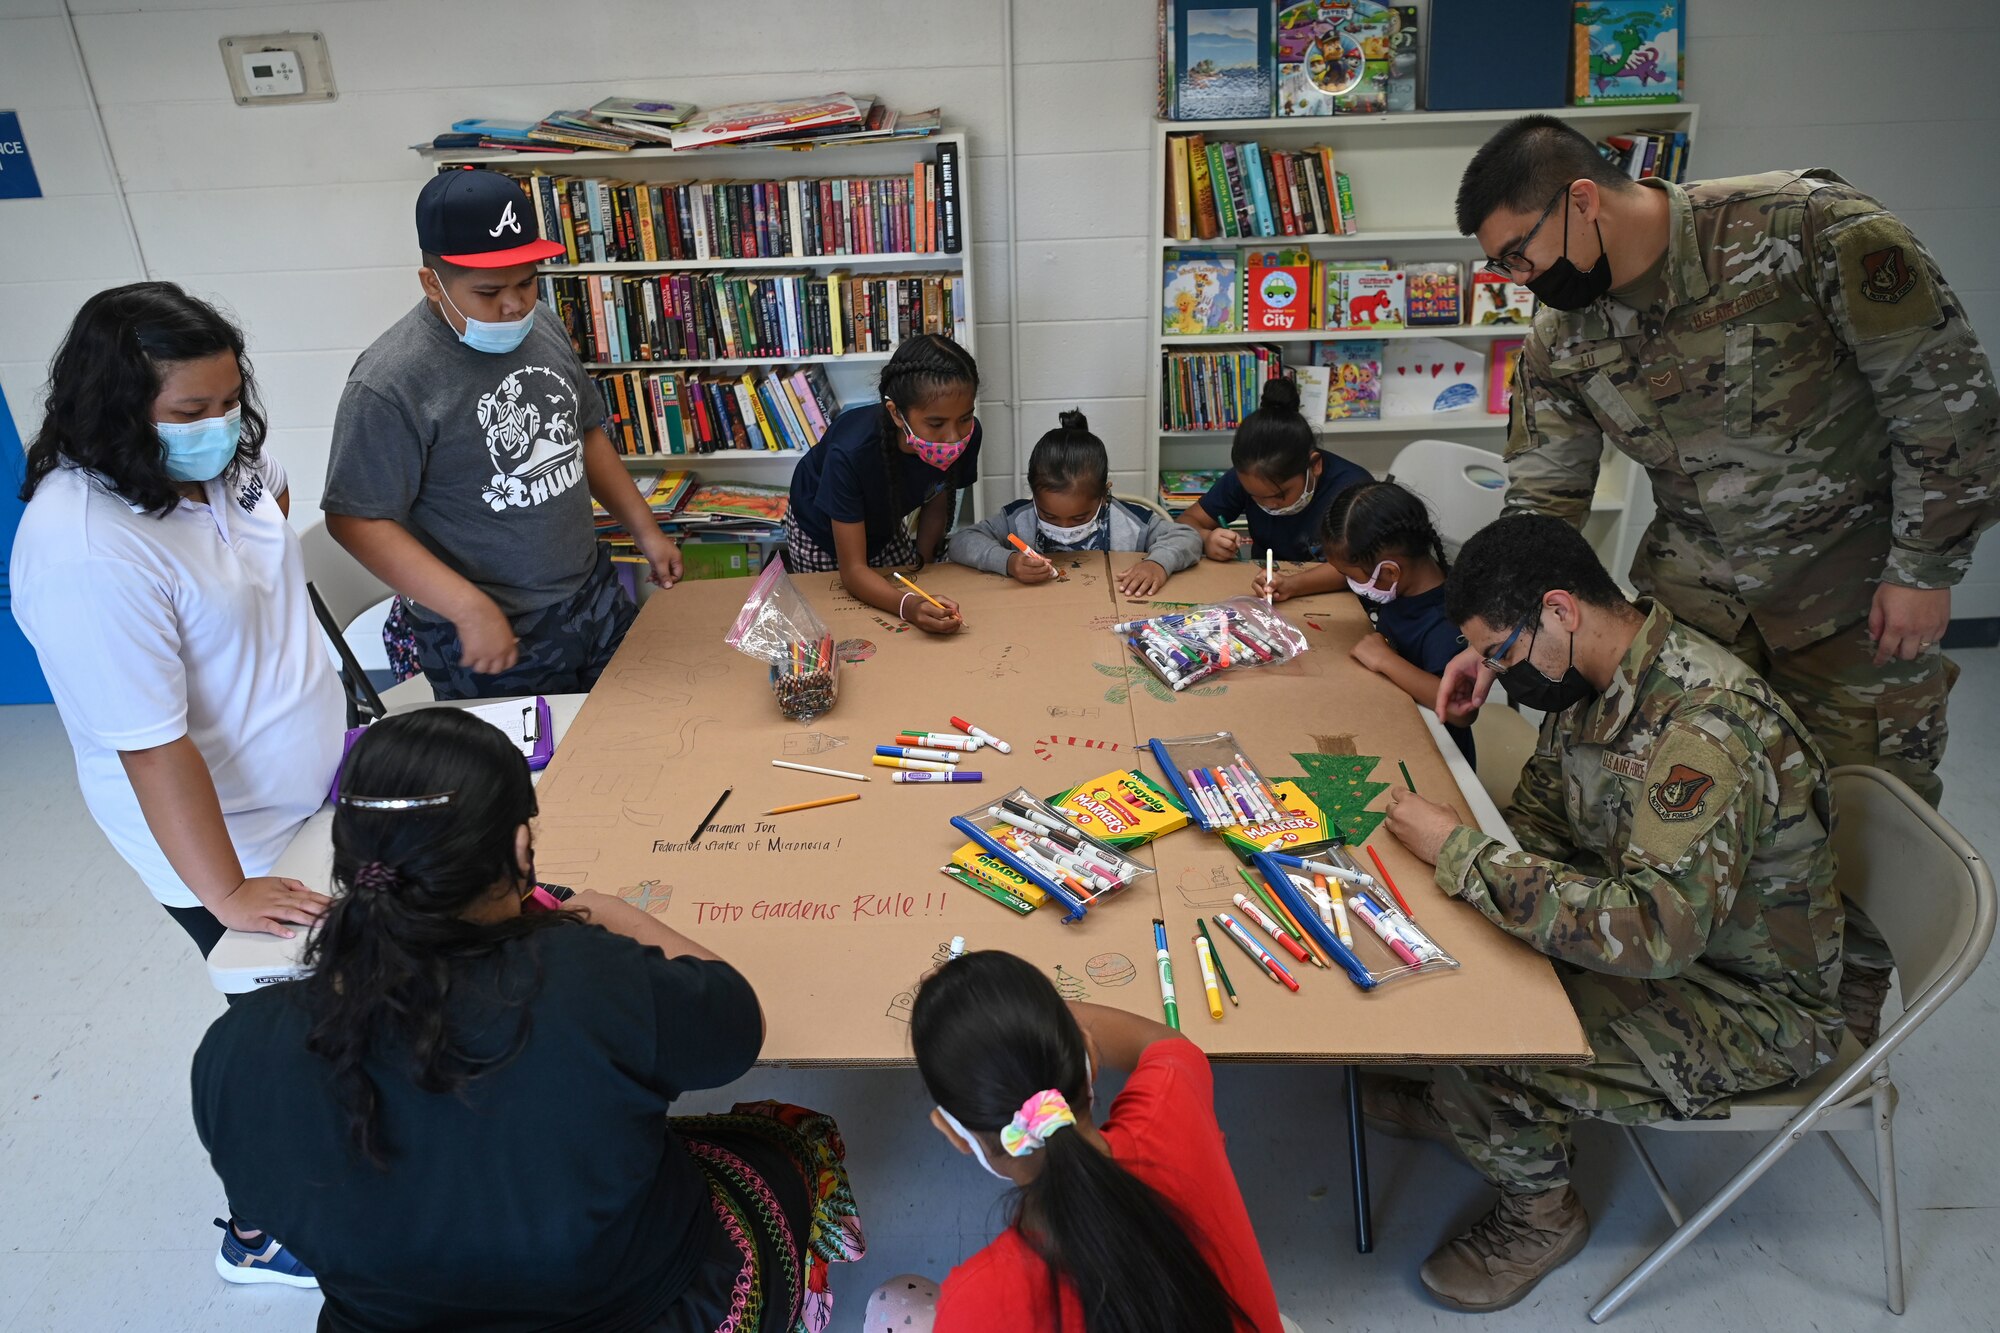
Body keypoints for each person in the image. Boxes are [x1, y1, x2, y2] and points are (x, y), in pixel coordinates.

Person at [1440, 114, 2000, 1039]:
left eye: (1518, 256)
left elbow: (1950, 402)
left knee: (1861, 805)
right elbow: (1543, 496)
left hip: (1856, 595)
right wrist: (1496, 641)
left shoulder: (1808, 231)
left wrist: (1926, 566)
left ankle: (1837, 1033)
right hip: (1698, 597)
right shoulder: (1565, 331)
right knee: (1663, 799)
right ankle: (1701, 993)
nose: (1519, 281)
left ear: (1582, 201)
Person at [192, 708, 865, 1331]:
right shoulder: (588, 976)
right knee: (785, 1143)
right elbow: (736, 1023)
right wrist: (611, 914)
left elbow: (276, 1200)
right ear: (519, 849)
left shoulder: (240, 1047)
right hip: (639, 1310)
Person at [1373, 513, 1842, 1313]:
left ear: (1559, 609)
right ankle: (1464, 1105)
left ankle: (1540, 1216)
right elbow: (1545, 827)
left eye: (1498, 652)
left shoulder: (1705, 727)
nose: (1492, 675)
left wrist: (1462, 858)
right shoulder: (1591, 680)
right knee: (1461, 956)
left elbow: (1653, 933)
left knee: (1495, 1034)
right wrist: (1469, 890)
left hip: (1749, 1000)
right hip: (1661, 939)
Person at [10, 281, 345, 1287]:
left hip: (312, 790)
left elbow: (268, 511)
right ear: (115, 412)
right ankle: (258, 1229)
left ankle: (360, 1159)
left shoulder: (225, 460)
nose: (220, 427)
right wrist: (229, 895)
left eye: (228, 401)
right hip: (224, 838)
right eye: (189, 413)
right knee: (284, 1030)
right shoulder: (82, 548)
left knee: (347, 1001)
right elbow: (152, 750)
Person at [323, 168, 683, 701]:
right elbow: (354, 518)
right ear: (432, 283)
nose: (514, 305)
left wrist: (645, 529)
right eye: (489, 291)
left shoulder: (542, 325)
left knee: (634, 730)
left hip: (589, 594)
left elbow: (584, 434)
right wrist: (469, 607)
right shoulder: (390, 383)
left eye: (526, 281)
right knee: (536, 774)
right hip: (491, 626)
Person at [890, 949, 1283, 1333]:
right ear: (1090, 1055)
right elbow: (1164, 1044)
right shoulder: (1172, 1107)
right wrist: (1022, 1016)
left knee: (890, 1303)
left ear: (954, 1133)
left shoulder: (974, 1306)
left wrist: (991, 1030)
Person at [785, 333, 979, 633]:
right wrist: (909, 606)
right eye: (936, 424)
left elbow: (938, 495)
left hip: (884, 522)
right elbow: (853, 571)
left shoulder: (966, 435)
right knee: (844, 627)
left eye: (965, 418)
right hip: (821, 532)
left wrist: (924, 572)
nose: (953, 437)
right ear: (896, 414)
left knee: (900, 593)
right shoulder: (850, 453)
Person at [947, 408, 1201, 596]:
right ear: (1033, 494)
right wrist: (1008, 562)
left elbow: (1187, 537)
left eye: (1079, 518)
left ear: (1104, 495)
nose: (1066, 528)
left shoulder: (1130, 522)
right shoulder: (1017, 519)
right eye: (1049, 516)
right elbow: (961, 542)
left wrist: (1157, 564)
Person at [1315, 479, 1473, 764]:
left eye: (1351, 575)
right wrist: (1290, 585)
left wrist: (1385, 660)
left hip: (1438, 755)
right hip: (1391, 717)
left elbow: (1461, 712)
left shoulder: (1446, 624)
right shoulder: (1404, 583)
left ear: (1388, 572)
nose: (1349, 582)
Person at [1180, 376, 1368, 597]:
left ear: (1314, 465)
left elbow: (1363, 565)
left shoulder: (1355, 490)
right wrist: (1206, 538)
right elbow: (1186, 521)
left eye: (1281, 494)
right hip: (1267, 592)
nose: (1271, 505)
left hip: (1333, 599)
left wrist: (1293, 584)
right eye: (1256, 497)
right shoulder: (1250, 475)